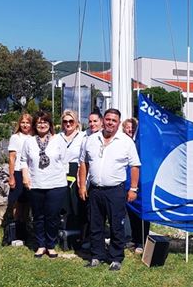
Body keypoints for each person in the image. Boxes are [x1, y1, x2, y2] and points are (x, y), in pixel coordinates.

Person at [79, 109, 141, 271]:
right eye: (108, 119)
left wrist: (133, 189)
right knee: (95, 224)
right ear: (103, 120)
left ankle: (116, 258)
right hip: (95, 190)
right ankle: (96, 256)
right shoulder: (91, 140)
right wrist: (82, 185)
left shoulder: (126, 142)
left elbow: (135, 166)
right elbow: (83, 164)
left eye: (114, 120)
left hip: (116, 191)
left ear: (118, 123)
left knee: (116, 225)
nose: (110, 123)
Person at [21, 111, 68, 258]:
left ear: (50, 125)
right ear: (35, 125)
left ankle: (51, 245)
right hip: (36, 184)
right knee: (38, 216)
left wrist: (62, 178)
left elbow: (64, 161)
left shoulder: (58, 140)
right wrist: (25, 177)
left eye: (45, 122)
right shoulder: (29, 141)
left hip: (56, 184)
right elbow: (23, 161)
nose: (42, 125)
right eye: (39, 122)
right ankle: (41, 245)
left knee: (52, 216)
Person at [59, 110, 87, 246]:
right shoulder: (58, 137)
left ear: (76, 123)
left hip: (76, 170)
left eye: (71, 121)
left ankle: (79, 235)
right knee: (62, 203)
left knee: (77, 203)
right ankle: (63, 233)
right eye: (65, 121)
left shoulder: (83, 136)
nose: (68, 124)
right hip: (60, 171)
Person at [122, 117, 149, 255]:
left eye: (133, 127)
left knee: (141, 213)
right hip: (125, 183)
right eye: (127, 127)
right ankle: (132, 238)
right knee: (130, 214)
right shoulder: (121, 142)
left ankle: (142, 241)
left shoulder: (143, 144)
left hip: (141, 184)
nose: (130, 129)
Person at [5, 113, 33, 243]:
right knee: (17, 202)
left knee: (27, 202)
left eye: (28, 122)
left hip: (30, 172)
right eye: (23, 122)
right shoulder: (15, 137)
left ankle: (25, 229)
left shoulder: (34, 137)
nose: (25, 125)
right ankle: (15, 230)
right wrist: (11, 177)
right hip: (17, 171)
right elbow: (12, 158)